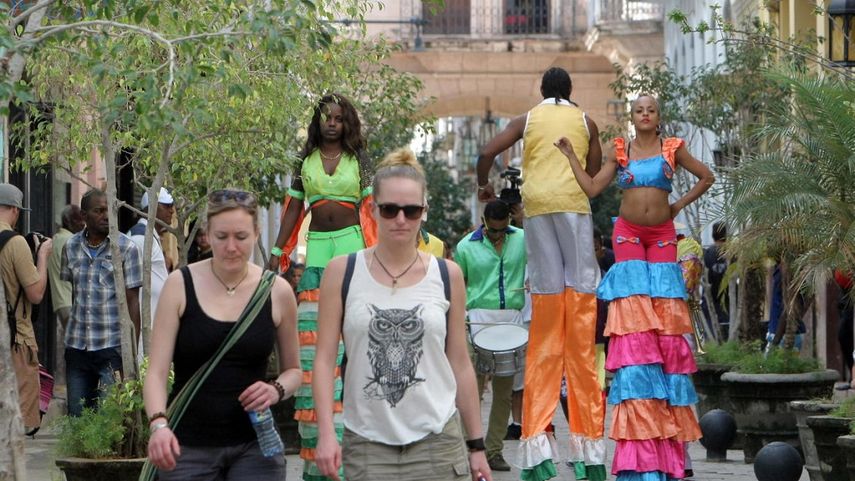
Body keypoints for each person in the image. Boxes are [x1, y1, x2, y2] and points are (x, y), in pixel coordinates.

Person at [554, 93, 714, 480]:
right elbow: (593, 189)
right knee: (635, 319)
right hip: (626, 234)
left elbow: (707, 176)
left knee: (665, 320)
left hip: (661, 233)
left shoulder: (673, 148)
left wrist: (677, 206)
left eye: (651, 109)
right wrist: (571, 157)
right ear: (633, 117)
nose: (645, 114)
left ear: (659, 117)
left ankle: (671, 433)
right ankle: (640, 419)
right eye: (639, 110)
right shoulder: (620, 149)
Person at [312, 148, 492, 481]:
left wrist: (477, 445)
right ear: (372, 209)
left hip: (438, 442)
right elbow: (324, 360)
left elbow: (460, 363)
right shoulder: (342, 272)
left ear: (424, 212)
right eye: (390, 209)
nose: (400, 219)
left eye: (411, 210)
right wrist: (325, 433)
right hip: (366, 443)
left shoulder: (447, 274)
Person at [476, 66, 605, 480]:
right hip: (572, 207)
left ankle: (536, 449)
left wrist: (485, 186)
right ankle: (588, 451)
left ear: (542, 91)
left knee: (548, 302)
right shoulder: (587, 120)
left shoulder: (526, 119)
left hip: (537, 208)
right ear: (570, 91)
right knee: (580, 295)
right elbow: (596, 166)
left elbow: (486, 154)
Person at [143, 188, 301, 479]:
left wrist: (274, 390)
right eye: (221, 237)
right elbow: (156, 372)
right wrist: (159, 425)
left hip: (256, 446)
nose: (231, 247)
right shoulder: (180, 285)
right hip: (187, 447)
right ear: (207, 234)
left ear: (256, 233)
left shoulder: (276, 291)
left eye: (241, 237)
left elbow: (293, 371)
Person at [267, 93, 374, 480]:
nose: (332, 123)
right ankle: (316, 457)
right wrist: (279, 250)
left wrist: (379, 258)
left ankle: (355, 450)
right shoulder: (304, 161)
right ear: (318, 121)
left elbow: (371, 208)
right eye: (326, 117)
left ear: (348, 123)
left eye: (339, 118)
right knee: (313, 353)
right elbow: (295, 207)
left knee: (355, 344)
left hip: (353, 249)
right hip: (315, 256)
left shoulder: (360, 158)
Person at [454, 199, 526, 471]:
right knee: (471, 390)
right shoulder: (464, 247)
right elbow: (458, 286)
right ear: (484, 223)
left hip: (512, 323)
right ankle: (467, 447)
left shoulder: (522, 239)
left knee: (504, 394)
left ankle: (494, 450)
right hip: (477, 323)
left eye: (503, 229)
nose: (498, 235)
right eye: (493, 230)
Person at [61, 189, 143, 416]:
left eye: (109, 210)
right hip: (77, 347)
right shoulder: (70, 247)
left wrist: (130, 355)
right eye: (99, 211)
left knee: (109, 421)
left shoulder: (126, 248)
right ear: (84, 216)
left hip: (111, 349)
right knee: (78, 418)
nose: (106, 216)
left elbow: (133, 303)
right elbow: (74, 294)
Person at [0, 184, 52, 434]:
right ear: (15, 210)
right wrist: (42, 255)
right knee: (16, 421)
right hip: (14, 341)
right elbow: (36, 293)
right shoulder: (15, 243)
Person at [128, 187, 174, 322]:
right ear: (150, 208)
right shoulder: (140, 238)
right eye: (166, 206)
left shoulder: (149, 236)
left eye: (171, 206)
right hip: (144, 324)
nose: (171, 210)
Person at [49, 205, 84, 329]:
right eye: (80, 220)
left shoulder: (57, 238)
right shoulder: (71, 241)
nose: (83, 224)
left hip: (63, 302)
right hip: (71, 301)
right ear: (69, 222)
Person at [703, 222, 729, 331]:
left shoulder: (707, 253)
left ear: (713, 235)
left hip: (710, 296)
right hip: (727, 298)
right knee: (727, 326)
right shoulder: (732, 252)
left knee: (711, 328)